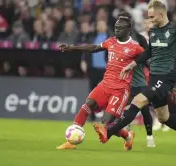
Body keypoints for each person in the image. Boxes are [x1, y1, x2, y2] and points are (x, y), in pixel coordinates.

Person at [93, 0, 176, 153]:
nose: (150, 20)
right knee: (164, 118)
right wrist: (132, 64)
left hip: (166, 77)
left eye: (153, 17)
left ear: (162, 14)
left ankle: (108, 132)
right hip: (155, 78)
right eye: (149, 17)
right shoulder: (153, 31)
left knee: (138, 100)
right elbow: (149, 52)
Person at [56, 16, 144, 151]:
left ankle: (127, 137)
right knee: (87, 106)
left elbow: (150, 61)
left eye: (120, 28)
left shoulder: (135, 48)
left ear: (129, 30)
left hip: (120, 90)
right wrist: (72, 48)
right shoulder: (111, 41)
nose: (117, 30)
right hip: (105, 84)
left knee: (106, 123)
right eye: (116, 27)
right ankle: (71, 141)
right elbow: (94, 48)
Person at [118, 12, 155, 148]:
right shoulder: (116, 39)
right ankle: (127, 136)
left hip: (139, 80)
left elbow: (146, 56)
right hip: (123, 81)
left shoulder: (139, 38)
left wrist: (153, 71)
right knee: (124, 109)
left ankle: (150, 137)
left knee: (144, 110)